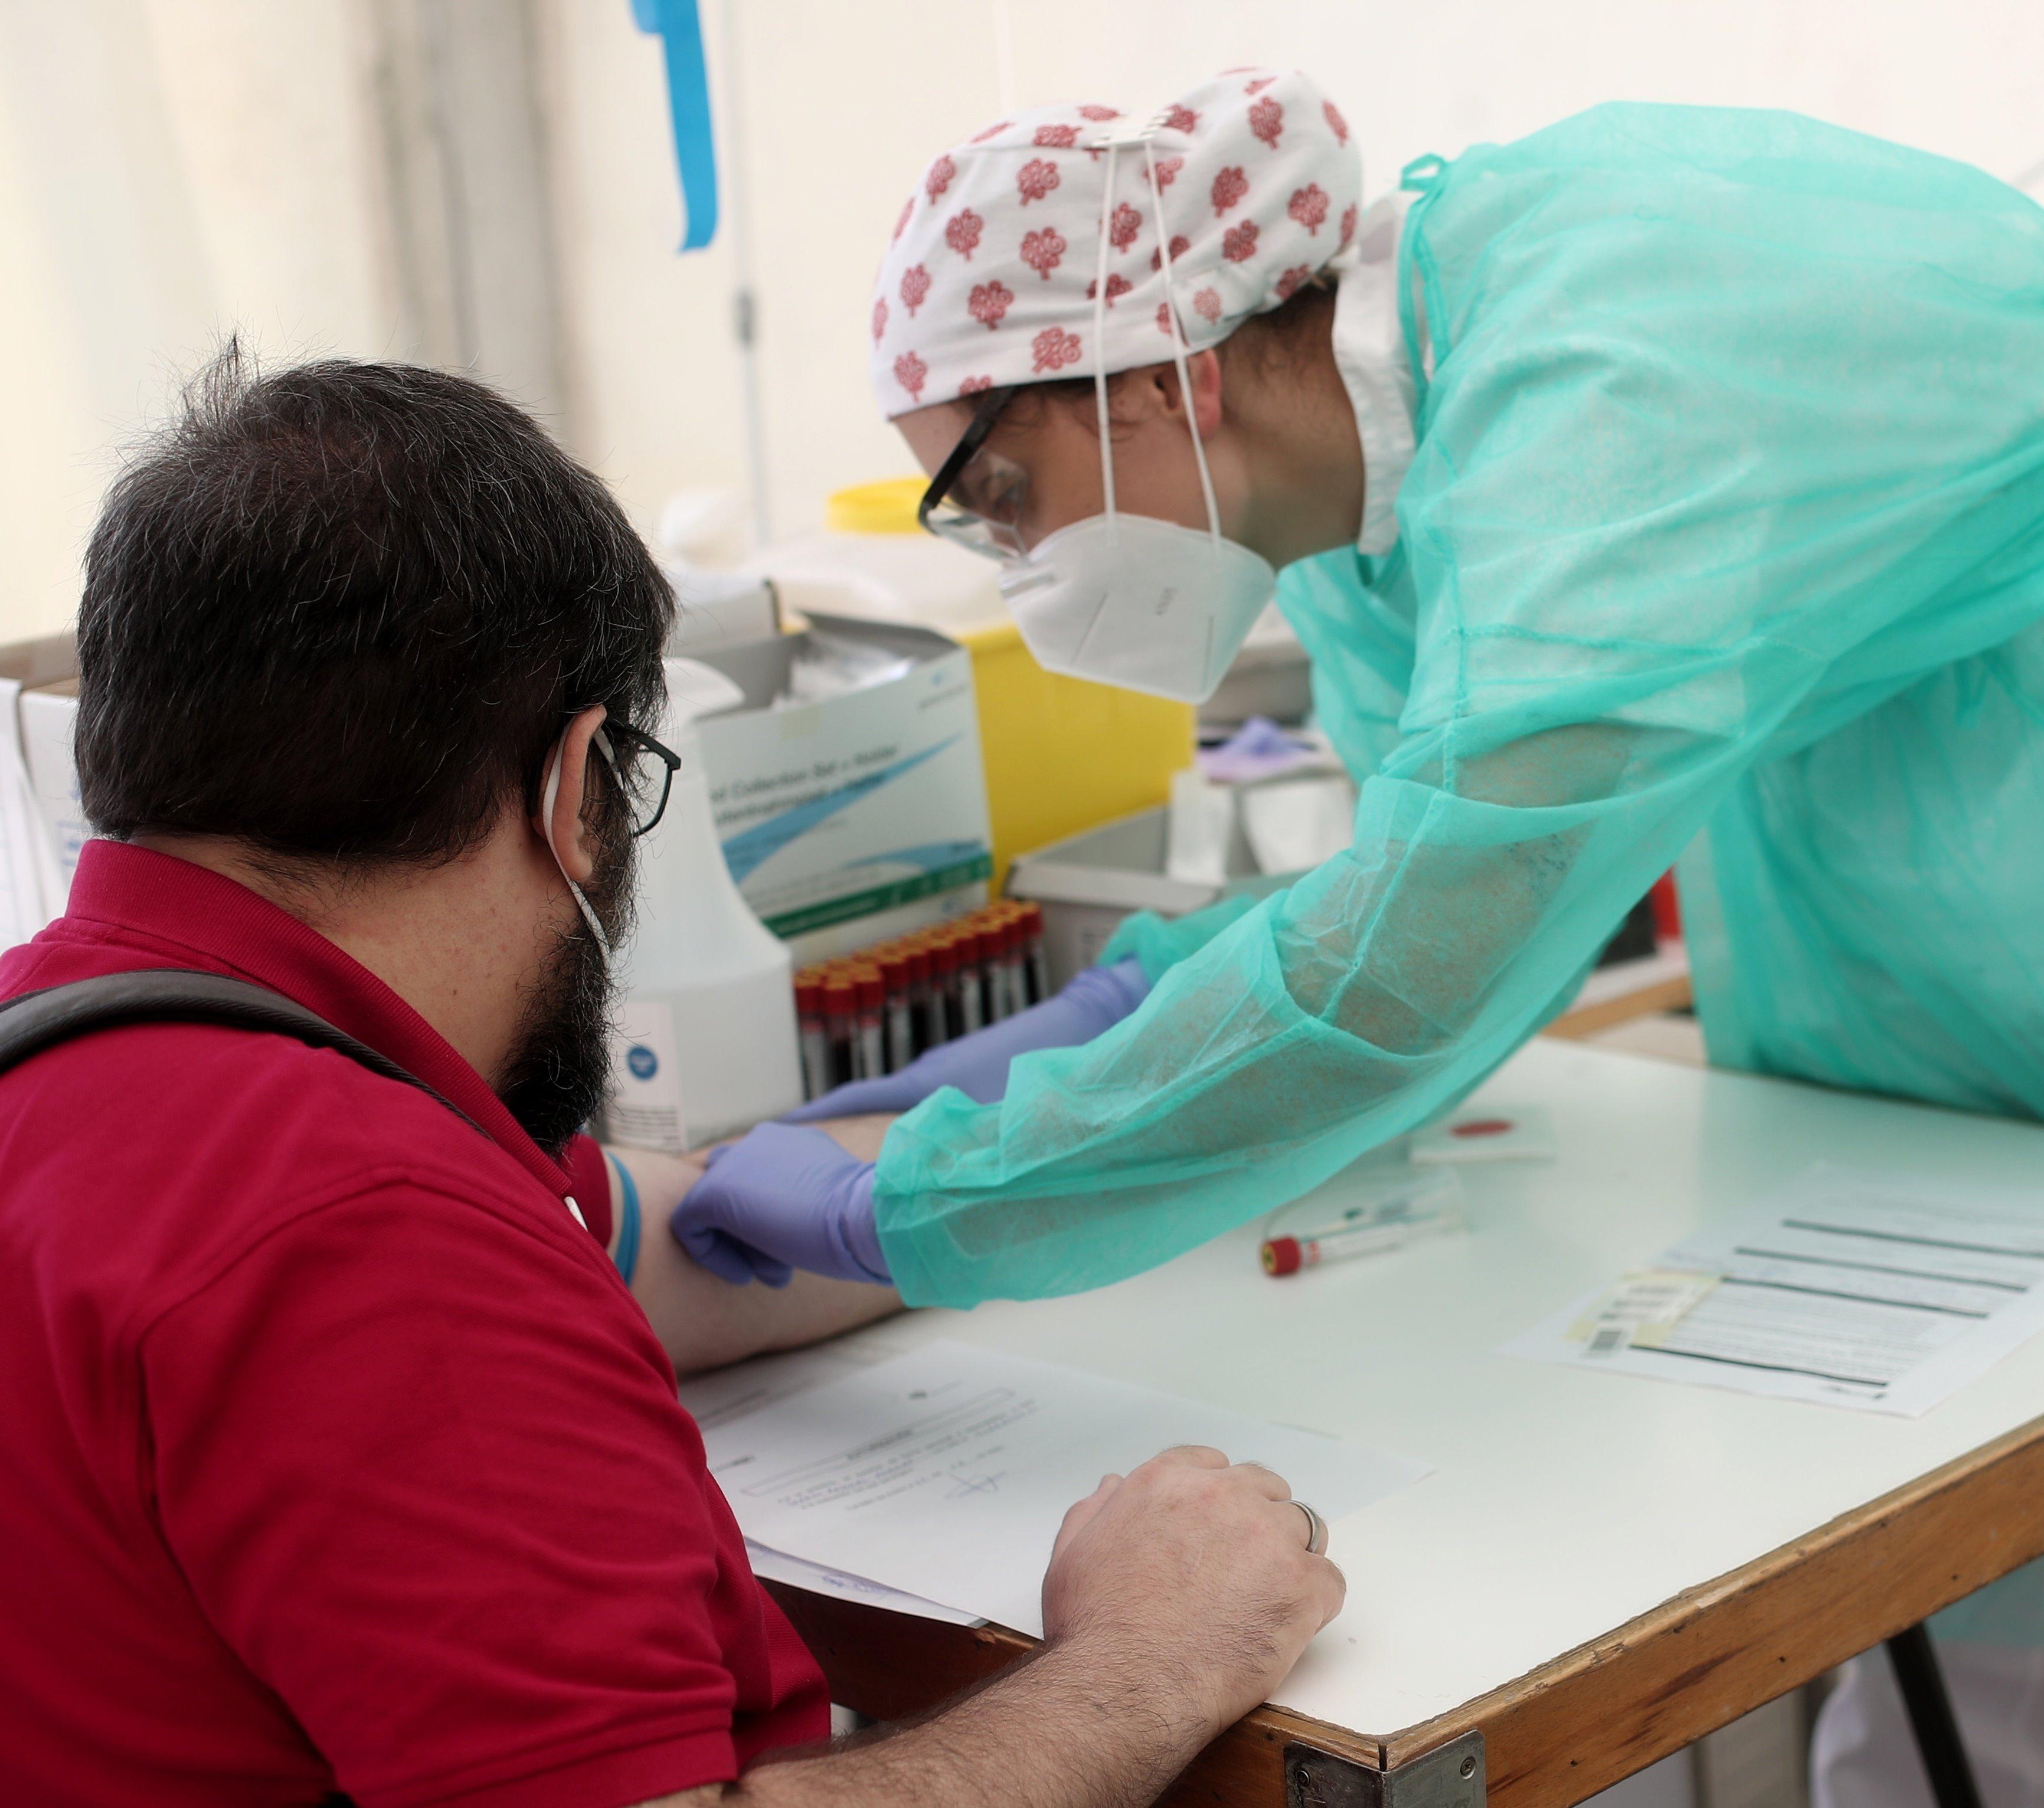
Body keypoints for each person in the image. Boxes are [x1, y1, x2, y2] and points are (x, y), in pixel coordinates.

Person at [676, 68, 2044, 1807]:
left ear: (1168, 364)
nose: (1015, 565)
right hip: (1917, 906)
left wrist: (920, 1192)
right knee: (1958, 1590)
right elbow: (1400, 870)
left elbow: (1410, 970)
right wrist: (1056, 1036)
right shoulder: (1371, 486)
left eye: (1000, 489)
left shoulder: (1593, 379)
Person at [0, 351, 1343, 1806]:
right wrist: (1154, 1645)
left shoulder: (103, 1053)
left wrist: (1007, 1155)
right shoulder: (371, 1232)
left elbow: (673, 1232)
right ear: (576, 783)